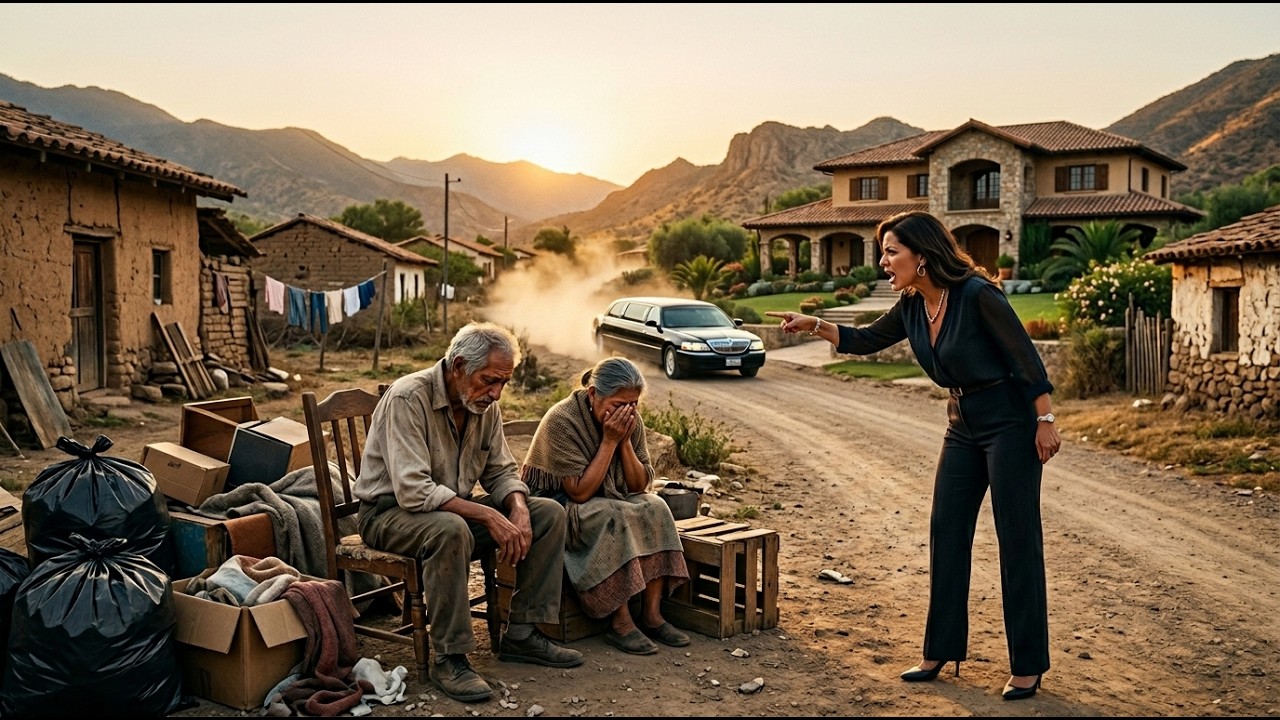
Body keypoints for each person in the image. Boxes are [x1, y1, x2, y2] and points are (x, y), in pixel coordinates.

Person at [766, 210, 1061, 701]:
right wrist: (814, 323)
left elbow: (1025, 358)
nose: (883, 261)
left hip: (1009, 424)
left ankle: (1028, 664)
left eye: (891, 251)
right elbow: (864, 340)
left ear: (922, 256)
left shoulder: (977, 295)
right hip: (961, 425)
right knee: (946, 531)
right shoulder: (910, 306)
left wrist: (1045, 420)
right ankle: (940, 649)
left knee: (1017, 537)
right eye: (883, 251)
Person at [354, 322, 583, 704]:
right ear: (458, 365)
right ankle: (451, 657)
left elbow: (502, 471)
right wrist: (490, 516)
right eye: (489, 380)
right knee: (450, 530)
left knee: (548, 513)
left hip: (449, 513)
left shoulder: (483, 405)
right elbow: (413, 490)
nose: (496, 393)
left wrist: (518, 508)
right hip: (387, 515)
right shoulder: (408, 398)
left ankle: (523, 634)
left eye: (503, 383)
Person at [520, 356, 691, 655]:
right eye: (618, 404)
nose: (627, 411)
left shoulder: (630, 419)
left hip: (607, 496)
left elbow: (639, 485)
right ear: (593, 395)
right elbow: (579, 492)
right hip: (558, 506)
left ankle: (651, 615)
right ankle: (620, 621)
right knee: (615, 515)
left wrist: (624, 442)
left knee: (655, 507)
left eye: (634, 404)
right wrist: (609, 442)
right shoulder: (563, 419)